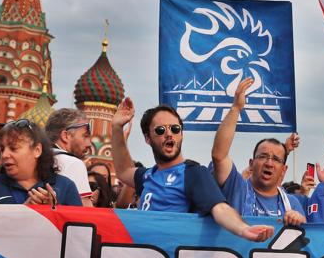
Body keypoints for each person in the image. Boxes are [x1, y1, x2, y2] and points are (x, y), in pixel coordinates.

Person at [111, 98, 271, 241]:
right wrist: (117, 127)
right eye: (161, 130)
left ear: (181, 134)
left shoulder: (193, 173)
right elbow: (123, 171)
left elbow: (220, 208)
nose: (169, 134)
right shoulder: (148, 175)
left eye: (175, 129)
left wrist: (243, 229)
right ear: (147, 138)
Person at [210, 78, 304, 226]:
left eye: (276, 159)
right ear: (251, 164)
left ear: (283, 170)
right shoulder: (237, 188)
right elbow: (219, 156)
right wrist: (236, 109)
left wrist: (300, 220)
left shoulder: (292, 204)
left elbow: (308, 241)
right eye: (263, 156)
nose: (269, 163)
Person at [0, 120, 82, 206]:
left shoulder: (65, 186)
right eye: (2, 149)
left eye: (13, 148)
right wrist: (26, 210)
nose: (4, 155)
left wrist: (52, 210)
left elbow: (78, 230)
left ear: (37, 150)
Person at [46, 107, 94, 203]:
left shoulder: (35, 158)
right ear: (65, 136)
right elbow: (85, 211)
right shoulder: (73, 163)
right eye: (85, 136)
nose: (89, 144)